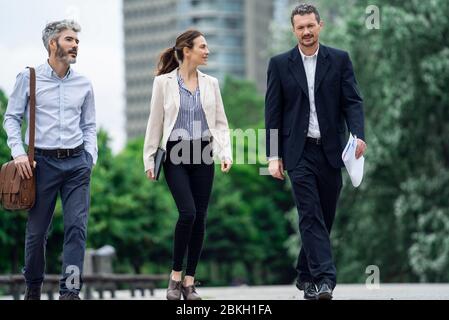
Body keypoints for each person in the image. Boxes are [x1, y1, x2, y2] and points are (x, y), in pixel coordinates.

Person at [265, 4, 366, 300]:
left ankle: (305, 274)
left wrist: (358, 135)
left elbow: (353, 102)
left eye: (311, 26)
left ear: (320, 26)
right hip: (299, 153)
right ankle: (324, 279)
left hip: (332, 151)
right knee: (309, 213)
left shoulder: (339, 60)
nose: (306, 32)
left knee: (324, 215)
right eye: (300, 27)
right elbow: (272, 113)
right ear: (293, 30)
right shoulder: (280, 64)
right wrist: (273, 156)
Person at [4, 19, 97, 300]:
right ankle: (33, 287)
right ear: (53, 43)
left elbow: (89, 125)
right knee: (36, 233)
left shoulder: (84, 83)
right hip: (40, 166)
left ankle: (70, 292)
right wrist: (19, 153)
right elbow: (11, 118)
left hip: (77, 164)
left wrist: (89, 157)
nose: (75, 46)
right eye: (70, 40)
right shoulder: (29, 77)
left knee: (77, 229)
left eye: (77, 41)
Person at [143, 30, 232, 300]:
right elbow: (155, 121)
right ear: (186, 50)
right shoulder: (163, 83)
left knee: (201, 217)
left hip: (204, 154)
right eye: (202, 47)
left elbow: (220, 122)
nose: (207, 51)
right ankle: (174, 277)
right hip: (175, 156)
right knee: (188, 213)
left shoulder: (211, 83)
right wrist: (149, 158)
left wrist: (225, 152)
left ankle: (190, 283)